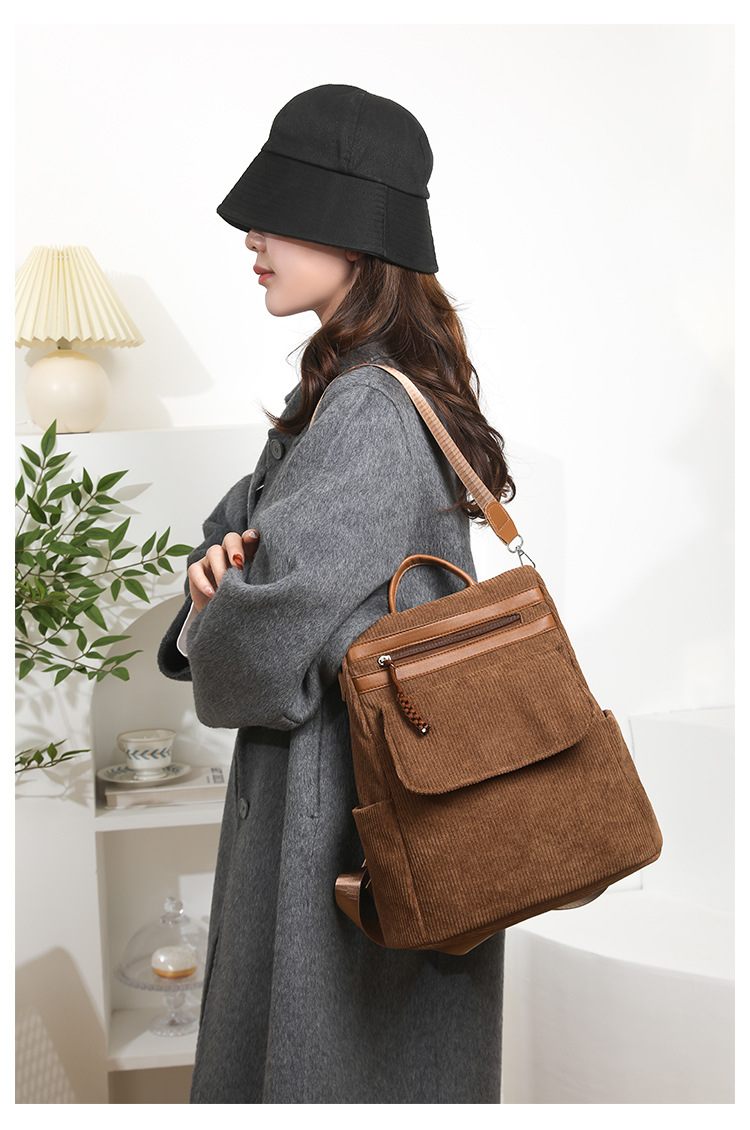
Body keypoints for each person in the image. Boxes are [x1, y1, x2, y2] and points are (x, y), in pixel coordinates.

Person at [156, 83, 516, 1104]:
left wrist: (221, 599)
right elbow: (236, 545)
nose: (252, 238)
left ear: (354, 234)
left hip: (342, 820)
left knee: (326, 1070)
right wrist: (226, 578)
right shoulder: (353, 387)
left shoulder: (364, 406)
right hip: (365, 794)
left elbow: (259, 641)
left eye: (278, 214)